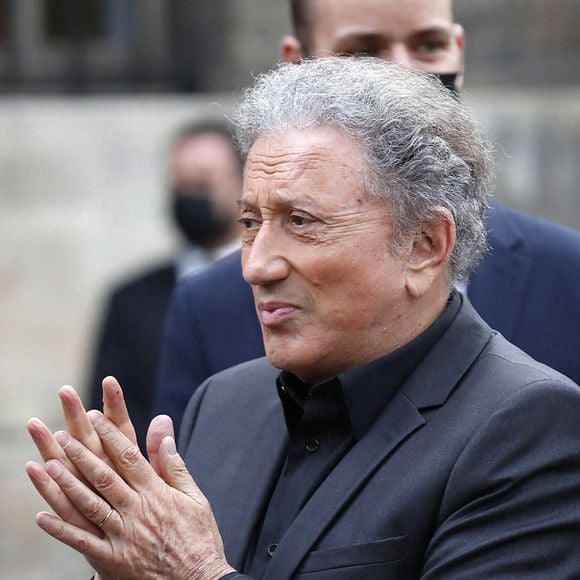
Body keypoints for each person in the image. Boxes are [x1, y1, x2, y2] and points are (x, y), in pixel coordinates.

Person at [27, 58, 580, 579]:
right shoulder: (222, 403)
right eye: (249, 221)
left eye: (301, 221)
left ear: (424, 245)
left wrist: (196, 572)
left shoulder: (528, 425)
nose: (256, 265)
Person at [154, 0, 580, 436]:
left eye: (428, 45)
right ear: (296, 65)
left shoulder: (568, 275)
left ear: (428, 243)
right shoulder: (209, 314)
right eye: (363, 53)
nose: (404, 73)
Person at [88, 121, 242, 450]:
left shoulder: (270, 287)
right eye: (181, 184)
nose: (190, 197)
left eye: (202, 182)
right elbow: (104, 411)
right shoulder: (131, 300)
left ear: (242, 185)